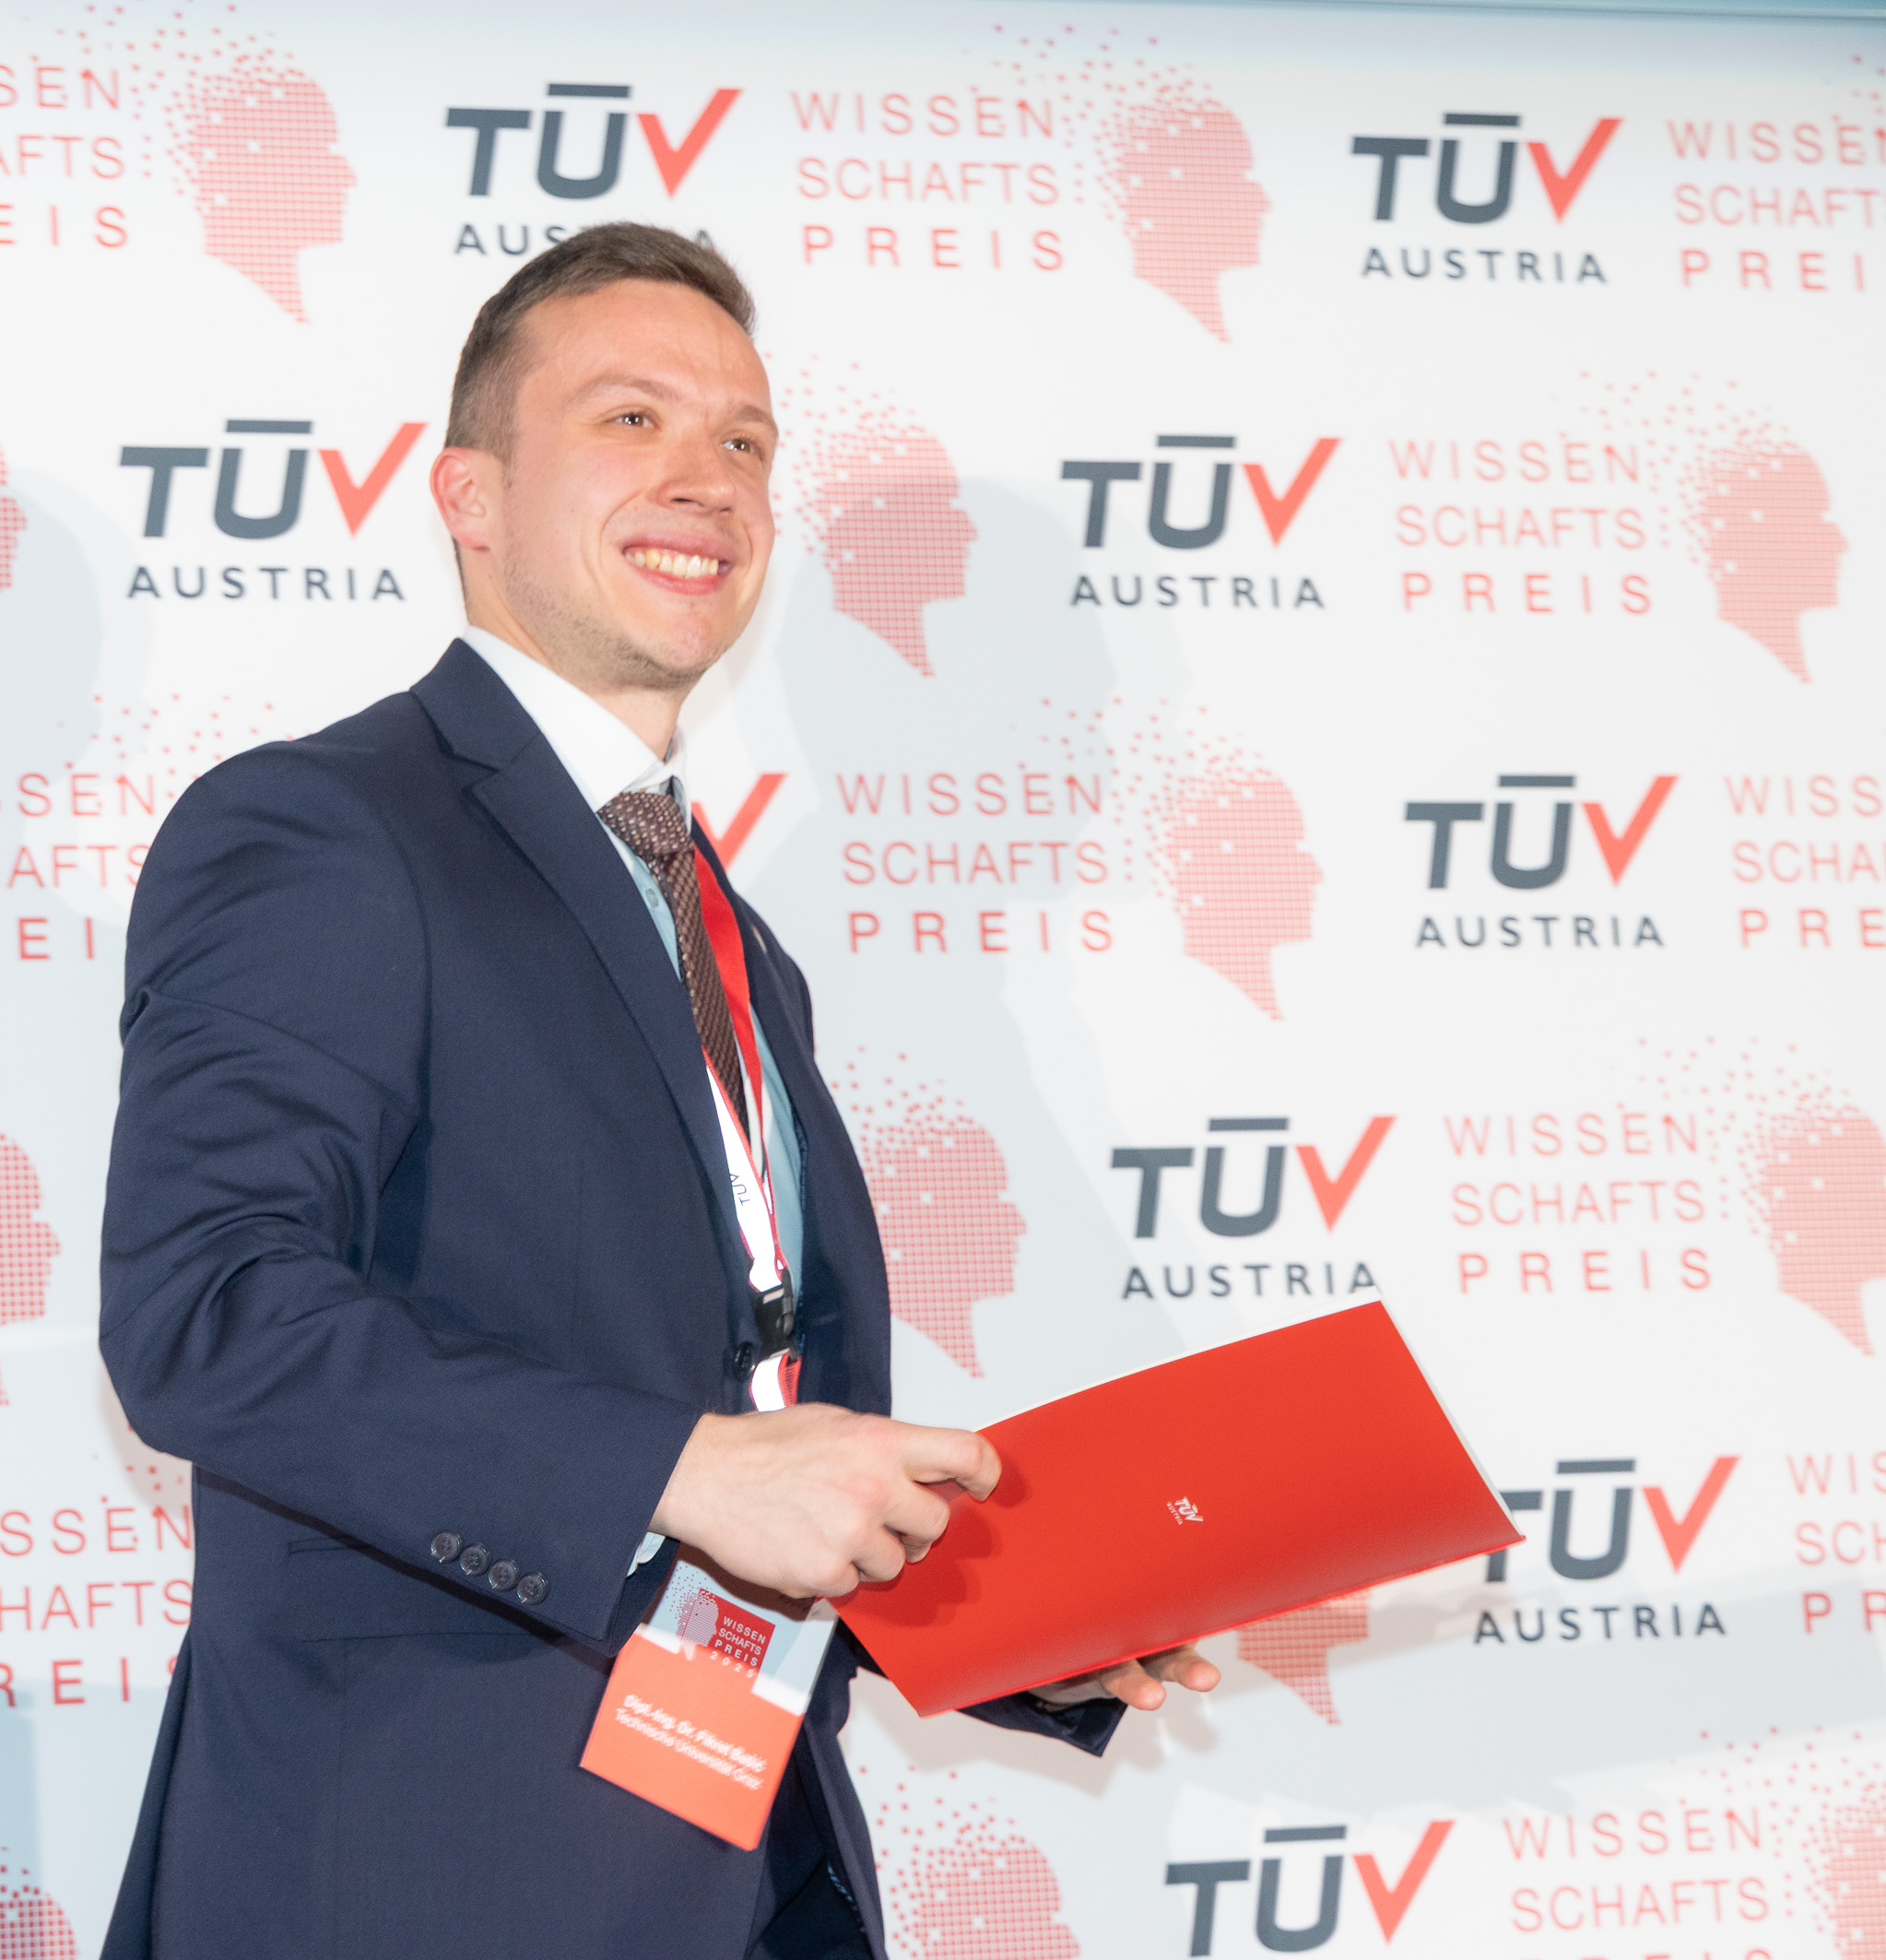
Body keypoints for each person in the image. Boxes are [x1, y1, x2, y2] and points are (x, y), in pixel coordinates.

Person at [99, 223, 1216, 1960]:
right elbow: (206, 1314)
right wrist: (676, 1467)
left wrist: (1003, 1626)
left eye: (745, 440)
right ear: (466, 494)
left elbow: (743, 1419)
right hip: (425, 1867)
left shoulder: (728, 933)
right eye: (630, 419)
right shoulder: (325, 828)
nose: (706, 476)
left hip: (747, 1862)